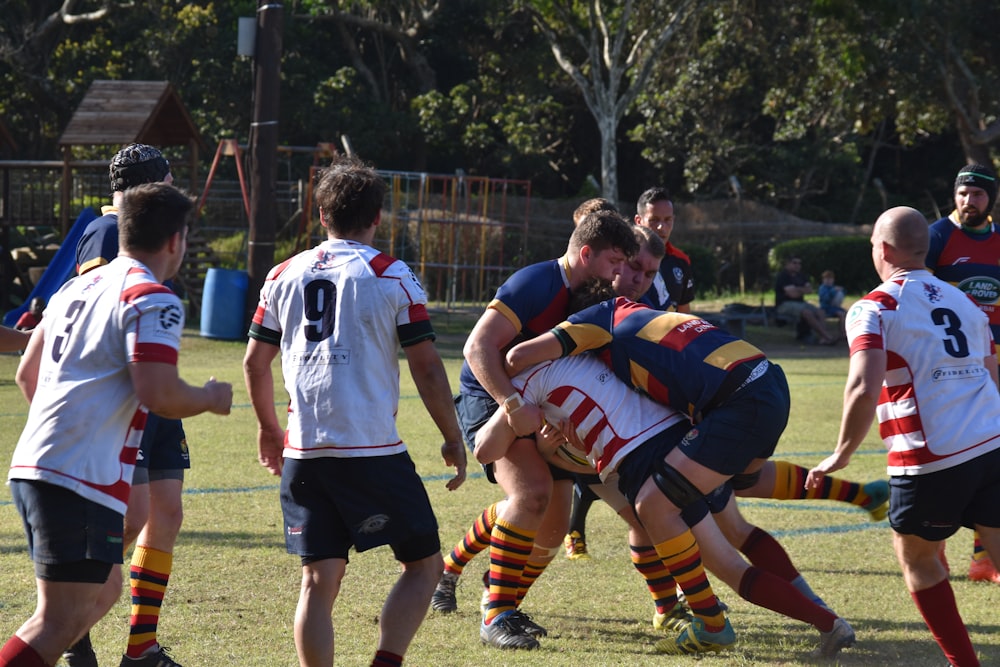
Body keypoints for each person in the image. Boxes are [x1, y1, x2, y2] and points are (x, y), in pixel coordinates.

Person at [504, 280, 852, 655]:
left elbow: (516, 358)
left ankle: (710, 622)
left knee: (654, 505)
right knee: (729, 540)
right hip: (764, 382)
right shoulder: (641, 317)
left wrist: (510, 394)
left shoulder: (596, 318)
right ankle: (825, 620)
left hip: (735, 406)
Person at [243, 156, 467, 667]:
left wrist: (267, 429)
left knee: (318, 582)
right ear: (378, 218)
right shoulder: (390, 274)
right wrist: (452, 437)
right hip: (371, 452)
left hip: (304, 451)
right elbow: (428, 369)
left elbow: (255, 362)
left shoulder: (282, 274)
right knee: (424, 566)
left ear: (321, 214)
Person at [0, 182, 233, 667]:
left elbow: (27, 372)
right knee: (57, 621)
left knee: (102, 590)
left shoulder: (73, 287)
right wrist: (210, 398)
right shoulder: (154, 298)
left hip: (36, 467)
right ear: (176, 240)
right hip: (75, 478)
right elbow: (159, 393)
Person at [431, 209, 637, 650]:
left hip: (541, 401)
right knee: (531, 495)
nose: (621, 274)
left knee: (552, 526)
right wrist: (511, 403)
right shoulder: (537, 283)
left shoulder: (596, 296)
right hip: (493, 397)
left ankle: (459, 576)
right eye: (614, 263)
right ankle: (496, 615)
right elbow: (477, 348)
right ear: (585, 253)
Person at [807, 206, 1000, 667]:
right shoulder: (965, 303)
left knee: (916, 558)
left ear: (884, 249)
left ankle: (964, 663)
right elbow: (992, 376)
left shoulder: (874, 306)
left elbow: (862, 384)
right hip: (992, 443)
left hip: (931, 458)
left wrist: (841, 453)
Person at [64, 143, 190, 667]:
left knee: (166, 512)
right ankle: (73, 619)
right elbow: (97, 302)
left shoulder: (147, 225)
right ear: (154, 182)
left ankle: (141, 645)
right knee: (134, 516)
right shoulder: (107, 230)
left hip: (156, 388)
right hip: (124, 392)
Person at [925, 162, 1000, 586]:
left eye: (978, 194)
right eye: (963, 193)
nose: (969, 201)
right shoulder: (937, 237)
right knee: (944, 457)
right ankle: (933, 549)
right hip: (949, 367)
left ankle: (984, 559)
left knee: (993, 458)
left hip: (995, 365)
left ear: (991, 199)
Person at [633, 187, 694, 313]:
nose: (661, 227)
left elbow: (684, 316)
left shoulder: (681, 261)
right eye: (654, 220)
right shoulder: (624, 259)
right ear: (638, 221)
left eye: (667, 220)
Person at [774, 256, 837, 344]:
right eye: (794, 263)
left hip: (800, 303)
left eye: (799, 263)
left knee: (821, 312)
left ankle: (823, 338)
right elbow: (793, 295)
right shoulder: (783, 276)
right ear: (788, 264)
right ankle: (826, 336)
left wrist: (797, 289)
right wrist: (802, 290)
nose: (797, 265)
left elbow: (809, 290)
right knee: (807, 312)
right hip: (784, 304)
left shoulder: (801, 276)